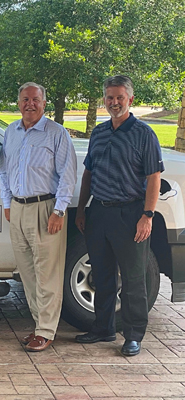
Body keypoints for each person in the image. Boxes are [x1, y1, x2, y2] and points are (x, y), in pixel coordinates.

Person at [74, 75, 163, 357]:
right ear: (104, 99)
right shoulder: (99, 133)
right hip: (98, 211)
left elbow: (154, 177)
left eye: (119, 98)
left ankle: (134, 335)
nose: (114, 103)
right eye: (109, 97)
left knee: (134, 279)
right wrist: (81, 208)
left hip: (130, 213)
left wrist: (147, 215)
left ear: (130, 100)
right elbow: (89, 172)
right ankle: (103, 328)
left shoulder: (144, 134)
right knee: (101, 274)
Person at [0, 82, 77, 352]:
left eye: (35, 99)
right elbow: (3, 171)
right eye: (25, 99)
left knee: (47, 272)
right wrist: (7, 203)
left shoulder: (56, 134)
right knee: (28, 272)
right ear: (18, 103)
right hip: (18, 208)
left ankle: (46, 330)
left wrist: (59, 210)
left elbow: (68, 174)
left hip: (46, 208)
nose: (29, 104)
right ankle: (38, 324)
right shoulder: (11, 132)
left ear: (44, 103)